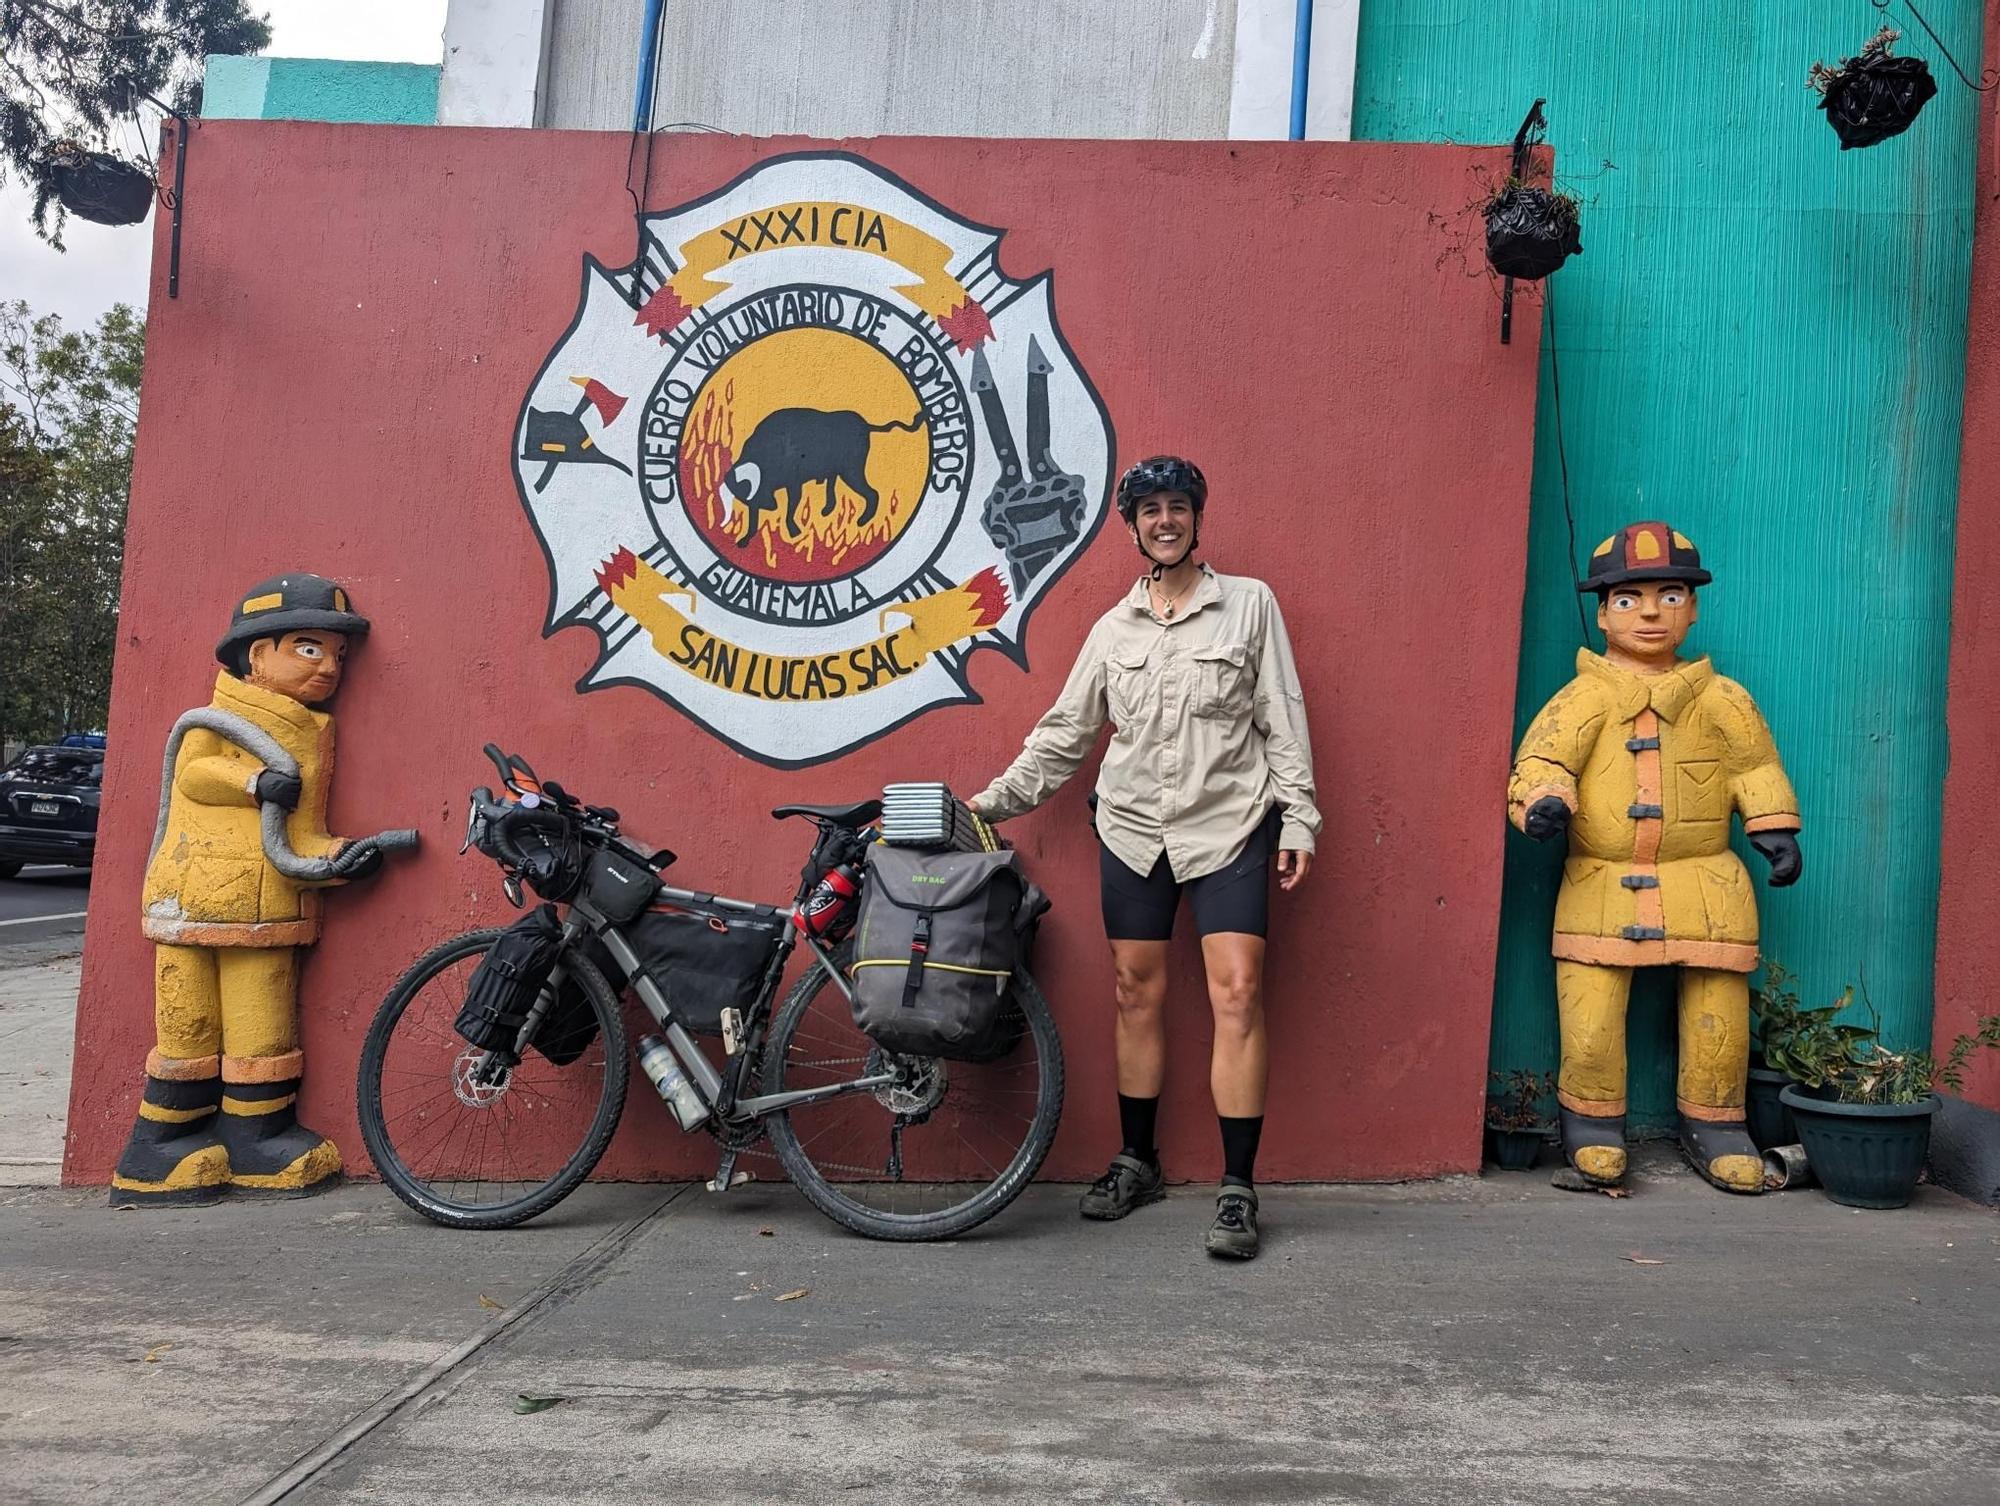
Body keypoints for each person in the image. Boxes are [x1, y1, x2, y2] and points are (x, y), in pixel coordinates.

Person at [969, 455, 1320, 1259]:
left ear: (1198, 518)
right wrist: (987, 803)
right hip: (1133, 828)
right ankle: (1139, 1161)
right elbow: (1065, 734)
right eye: (1149, 510)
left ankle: (1237, 1188)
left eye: (1177, 507)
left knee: (1238, 992)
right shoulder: (1112, 630)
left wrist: (1298, 818)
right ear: (1131, 527)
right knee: (1136, 991)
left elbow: (1283, 716)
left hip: (1229, 823)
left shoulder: (1249, 607)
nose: (1165, 520)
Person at [1508, 522, 1802, 1193]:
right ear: (1603, 612)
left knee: (1717, 1016)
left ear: (1692, 610)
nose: (1648, 612)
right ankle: (1591, 1123)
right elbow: (1542, 759)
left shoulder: (1724, 701)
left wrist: (1772, 823)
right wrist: (1544, 801)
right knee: (1590, 1018)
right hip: (1602, 880)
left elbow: (1754, 764)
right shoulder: (1582, 699)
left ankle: (1718, 1122)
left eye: (1669, 597)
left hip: (1706, 882)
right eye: (1628, 599)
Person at [111, 573, 386, 1205]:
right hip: (191, 897)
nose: (327, 668)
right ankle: (155, 1149)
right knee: (189, 1028)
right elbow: (194, 771)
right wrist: (255, 782)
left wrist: (343, 858)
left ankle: (255, 1137)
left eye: (336, 656)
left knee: (261, 1026)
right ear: (256, 654)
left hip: (267, 908)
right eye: (308, 648)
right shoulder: (220, 716)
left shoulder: (311, 732)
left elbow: (302, 832)